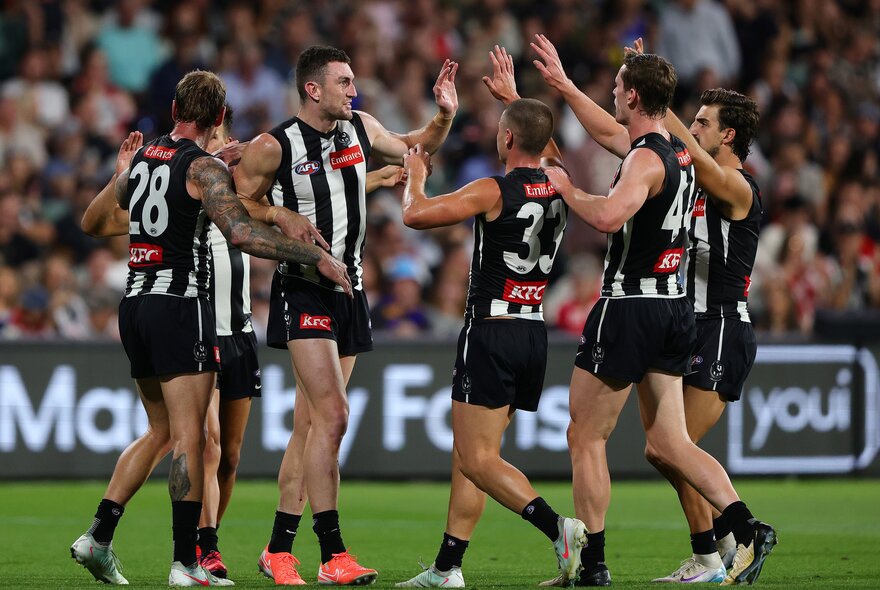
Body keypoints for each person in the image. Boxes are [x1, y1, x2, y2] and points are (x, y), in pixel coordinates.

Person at [79, 107, 404, 582]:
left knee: (228, 454)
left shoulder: (230, 194)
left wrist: (375, 177)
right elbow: (113, 222)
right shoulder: (193, 195)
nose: (223, 149)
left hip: (239, 332)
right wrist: (122, 180)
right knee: (199, 442)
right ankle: (191, 553)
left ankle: (203, 548)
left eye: (230, 147)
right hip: (198, 324)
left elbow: (315, 196)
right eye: (220, 143)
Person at [530, 34, 776, 587]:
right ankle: (739, 531)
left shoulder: (732, 184)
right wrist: (570, 85)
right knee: (668, 445)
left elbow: (613, 210)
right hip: (677, 314)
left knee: (589, 435)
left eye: (705, 122)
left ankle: (597, 563)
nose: (695, 126)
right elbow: (616, 132)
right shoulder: (678, 163)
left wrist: (569, 185)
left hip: (692, 320)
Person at [231, 45, 459, 586]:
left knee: (310, 425)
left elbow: (412, 149)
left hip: (349, 291)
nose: (353, 91)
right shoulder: (274, 145)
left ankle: (277, 550)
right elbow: (237, 204)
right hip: (304, 288)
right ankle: (333, 553)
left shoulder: (359, 126)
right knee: (332, 416)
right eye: (344, 82)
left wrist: (445, 115)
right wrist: (280, 212)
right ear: (313, 89)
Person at [395, 45, 586, 589]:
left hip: (491, 328)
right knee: (472, 454)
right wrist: (517, 101)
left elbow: (415, 215)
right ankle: (448, 568)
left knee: (477, 458)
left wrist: (415, 172)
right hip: (533, 329)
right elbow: (542, 138)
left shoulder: (491, 190)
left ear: (505, 140)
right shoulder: (559, 181)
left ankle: (558, 529)